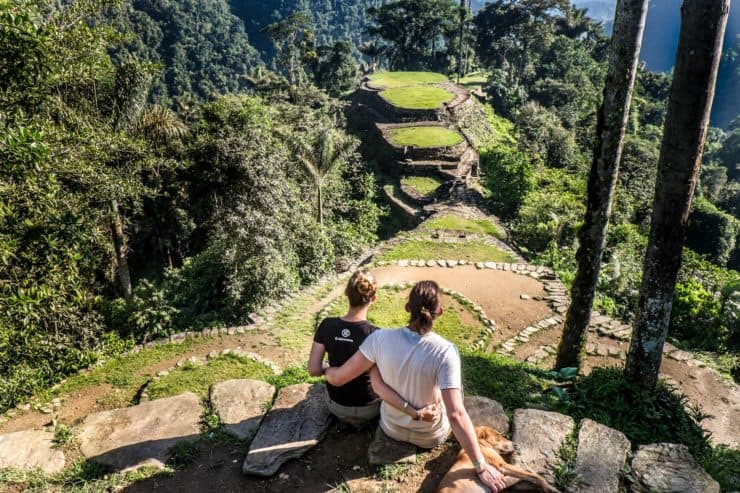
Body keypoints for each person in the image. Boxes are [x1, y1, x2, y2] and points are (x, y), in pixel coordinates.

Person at [325, 280, 507, 493]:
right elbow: (456, 414)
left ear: (407, 308)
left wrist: (324, 369)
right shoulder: (446, 351)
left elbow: (340, 378)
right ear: (440, 311)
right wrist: (480, 465)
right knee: (453, 389)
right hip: (430, 435)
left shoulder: (378, 339)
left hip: (391, 428)